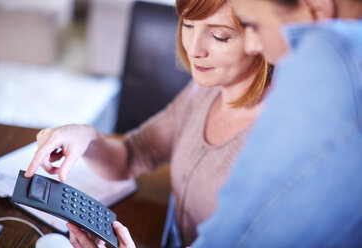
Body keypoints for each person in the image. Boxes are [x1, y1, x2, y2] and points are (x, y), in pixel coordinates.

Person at [25, 0, 272, 247]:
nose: (193, 49)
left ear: (263, 36)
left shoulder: (277, 140)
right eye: (187, 24)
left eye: (219, 36)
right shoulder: (202, 91)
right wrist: (86, 136)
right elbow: (133, 155)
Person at [190, 0, 362, 247]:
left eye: (254, 25)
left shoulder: (331, 55)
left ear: (317, 10)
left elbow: (233, 239)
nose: (251, 45)